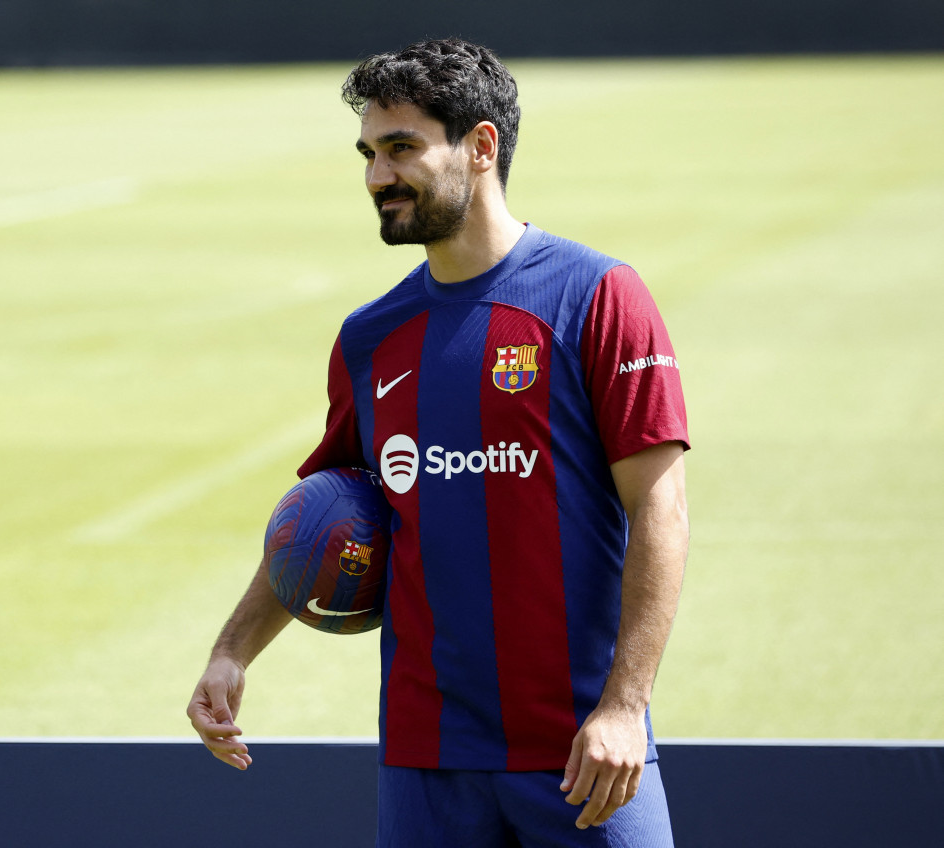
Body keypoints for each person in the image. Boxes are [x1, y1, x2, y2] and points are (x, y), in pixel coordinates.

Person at [187, 37, 690, 848]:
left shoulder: (597, 296)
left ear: (481, 146)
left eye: (401, 148)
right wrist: (231, 653)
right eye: (368, 154)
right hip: (425, 764)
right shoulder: (370, 337)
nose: (377, 176)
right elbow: (324, 515)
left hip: (584, 754)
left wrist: (625, 707)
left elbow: (659, 506)